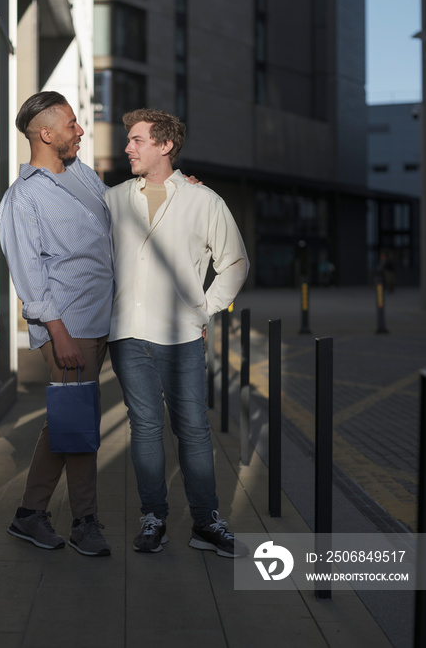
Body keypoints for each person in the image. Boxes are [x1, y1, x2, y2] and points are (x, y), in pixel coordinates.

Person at [106, 109, 250, 557]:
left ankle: (206, 522)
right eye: (127, 140)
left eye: (137, 140)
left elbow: (235, 262)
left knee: (193, 428)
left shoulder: (202, 200)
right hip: (127, 333)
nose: (127, 147)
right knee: (145, 428)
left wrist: (202, 311)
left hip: (182, 336)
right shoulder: (111, 200)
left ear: (165, 145)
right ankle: (155, 518)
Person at [0, 91, 113, 556]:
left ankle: (28, 514)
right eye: (71, 124)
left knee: (66, 421)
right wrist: (58, 333)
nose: (80, 130)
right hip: (70, 326)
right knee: (79, 422)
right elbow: (28, 275)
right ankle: (84, 522)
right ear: (46, 134)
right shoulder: (22, 198)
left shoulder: (83, 175)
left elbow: (120, 214)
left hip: (105, 319)